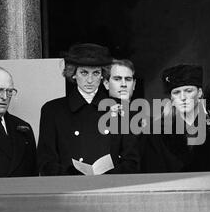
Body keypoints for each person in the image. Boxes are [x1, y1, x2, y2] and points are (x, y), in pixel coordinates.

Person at [37, 44, 140, 176]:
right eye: (84, 72)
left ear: (103, 75)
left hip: (110, 188)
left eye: (96, 73)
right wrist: (73, 176)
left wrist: (107, 177)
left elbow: (132, 162)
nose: (90, 80)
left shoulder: (122, 109)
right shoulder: (52, 110)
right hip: (69, 189)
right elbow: (46, 161)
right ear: (73, 73)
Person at [140, 64, 207, 173]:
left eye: (188, 91)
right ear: (171, 97)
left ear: (199, 93)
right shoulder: (155, 132)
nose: (183, 97)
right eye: (176, 92)